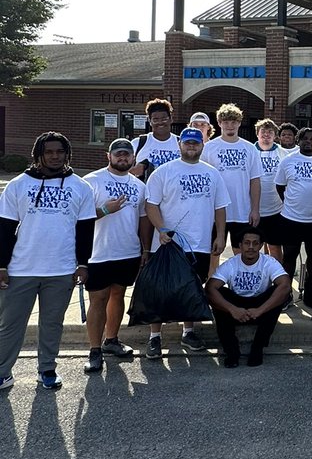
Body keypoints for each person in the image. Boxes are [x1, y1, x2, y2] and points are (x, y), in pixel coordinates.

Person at [0, 132, 96, 391]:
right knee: (10, 324)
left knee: (52, 323)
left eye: (60, 151)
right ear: (38, 154)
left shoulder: (80, 187)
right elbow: (5, 229)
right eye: (49, 152)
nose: (55, 156)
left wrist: (83, 264)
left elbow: (85, 230)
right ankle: (3, 372)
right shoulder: (18, 185)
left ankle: (47, 370)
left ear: (67, 154)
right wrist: (1, 265)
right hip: (21, 269)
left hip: (62, 269)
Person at [143, 127, 230, 357]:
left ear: (202, 145)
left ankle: (188, 332)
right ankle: (154, 337)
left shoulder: (213, 173)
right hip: (167, 244)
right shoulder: (163, 172)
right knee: (160, 290)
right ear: (179, 144)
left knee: (192, 289)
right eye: (187, 143)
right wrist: (161, 229)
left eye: (196, 143)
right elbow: (151, 205)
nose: (191, 146)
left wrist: (220, 236)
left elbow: (220, 208)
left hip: (199, 244)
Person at [82, 139, 152, 372]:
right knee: (98, 298)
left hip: (128, 251)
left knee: (118, 294)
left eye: (127, 155)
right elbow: (77, 218)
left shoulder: (139, 186)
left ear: (133, 158)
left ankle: (111, 340)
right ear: (108, 156)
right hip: (98, 252)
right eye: (118, 154)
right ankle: (94, 350)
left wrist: (145, 249)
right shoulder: (92, 181)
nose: (123, 158)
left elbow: (143, 219)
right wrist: (104, 210)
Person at [206, 228, 291, 367]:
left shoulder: (269, 262)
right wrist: (232, 309)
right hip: (236, 307)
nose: (251, 247)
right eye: (247, 243)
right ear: (240, 245)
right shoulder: (231, 263)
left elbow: (285, 285)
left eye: (255, 243)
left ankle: (257, 349)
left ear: (261, 245)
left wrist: (260, 310)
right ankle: (232, 352)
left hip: (259, 306)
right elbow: (210, 288)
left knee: (279, 291)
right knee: (219, 294)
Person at [276, 126, 312, 308]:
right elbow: (280, 187)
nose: (308, 141)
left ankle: (311, 294)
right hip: (291, 218)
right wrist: (293, 204)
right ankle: (285, 294)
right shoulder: (288, 161)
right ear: (298, 141)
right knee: (289, 256)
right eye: (304, 138)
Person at [201, 104, 263, 252]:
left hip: (242, 212)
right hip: (215, 211)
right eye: (226, 122)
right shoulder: (209, 148)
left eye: (234, 122)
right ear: (219, 123)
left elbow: (255, 181)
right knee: (213, 252)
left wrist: (255, 209)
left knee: (241, 254)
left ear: (239, 123)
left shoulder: (249, 148)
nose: (230, 125)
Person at [254, 117, 285, 262]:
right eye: (263, 132)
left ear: (275, 135)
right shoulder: (250, 152)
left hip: (276, 209)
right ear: (257, 134)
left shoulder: (283, 153)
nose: (266, 136)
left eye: (270, 133)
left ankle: (278, 279)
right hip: (253, 209)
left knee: (274, 246)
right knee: (252, 246)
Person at [131, 98, 180, 181]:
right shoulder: (138, 143)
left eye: (164, 119)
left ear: (171, 119)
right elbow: (121, 171)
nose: (160, 122)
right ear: (150, 121)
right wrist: (135, 170)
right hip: (147, 193)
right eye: (155, 119)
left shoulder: (181, 143)